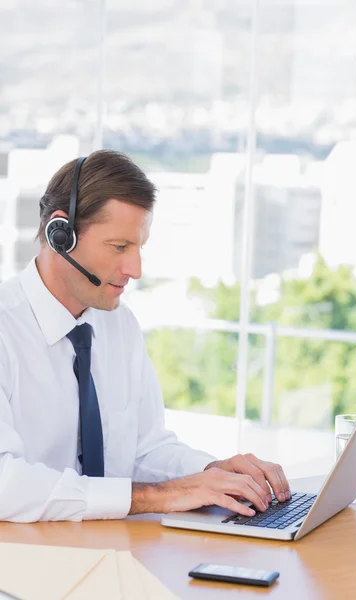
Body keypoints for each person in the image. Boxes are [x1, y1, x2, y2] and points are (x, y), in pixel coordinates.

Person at [0, 150, 291, 522]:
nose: (134, 269)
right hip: (26, 563)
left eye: (140, 247)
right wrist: (159, 496)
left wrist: (214, 473)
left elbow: (145, 450)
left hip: (113, 550)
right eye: (119, 247)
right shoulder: (6, 331)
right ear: (61, 236)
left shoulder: (119, 325)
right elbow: (5, 483)